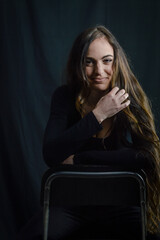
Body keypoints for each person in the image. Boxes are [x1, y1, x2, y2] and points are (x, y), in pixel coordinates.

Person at [17, 25, 160, 240]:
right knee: (32, 235)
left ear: (116, 61)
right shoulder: (64, 97)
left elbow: (149, 156)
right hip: (72, 205)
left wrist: (82, 158)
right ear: (79, 63)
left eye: (107, 60)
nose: (99, 71)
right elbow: (51, 154)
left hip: (120, 204)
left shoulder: (128, 97)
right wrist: (98, 115)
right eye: (89, 62)